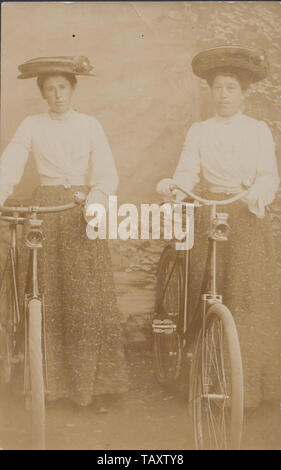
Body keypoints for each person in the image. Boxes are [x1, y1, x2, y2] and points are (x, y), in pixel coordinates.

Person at [0, 56, 129, 411]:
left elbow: (105, 169)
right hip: (45, 208)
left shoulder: (90, 125)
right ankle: (47, 386)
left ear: (73, 89)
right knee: (45, 295)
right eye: (50, 88)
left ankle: (96, 388)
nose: (57, 94)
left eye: (62, 87)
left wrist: (97, 199)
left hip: (81, 209)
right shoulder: (31, 125)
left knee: (88, 299)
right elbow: (11, 160)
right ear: (43, 93)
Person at [157, 46, 280, 411]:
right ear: (211, 92)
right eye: (218, 88)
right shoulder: (199, 131)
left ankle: (250, 387)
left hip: (244, 216)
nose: (223, 95)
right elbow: (186, 171)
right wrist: (174, 186)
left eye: (231, 88)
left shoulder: (258, 130)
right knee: (204, 291)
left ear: (243, 93)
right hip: (207, 213)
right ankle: (203, 378)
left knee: (246, 298)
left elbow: (268, 175)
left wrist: (257, 194)